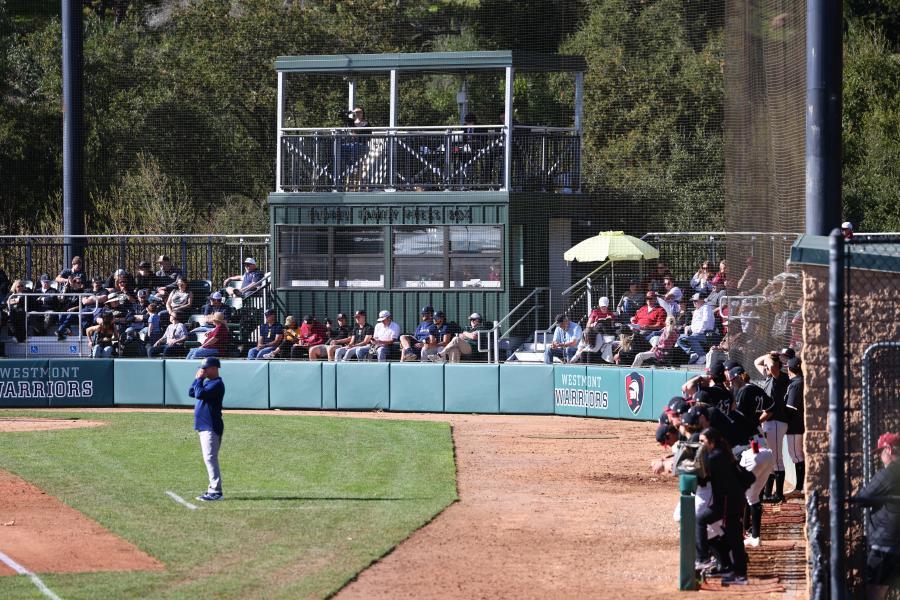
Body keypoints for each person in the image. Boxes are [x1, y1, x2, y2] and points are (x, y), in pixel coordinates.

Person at [696, 427, 749, 585]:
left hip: (729, 501)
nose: (700, 444)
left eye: (702, 441)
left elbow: (702, 476)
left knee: (702, 520)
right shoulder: (720, 453)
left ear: (711, 442)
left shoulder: (716, 456)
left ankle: (704, 559)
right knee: (732, 537)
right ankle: (735, 571)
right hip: (733, 500)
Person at [855, 433, 900, 600]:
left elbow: (862, 498)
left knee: (875, 594)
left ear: (888, 449)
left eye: (880, 452)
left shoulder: (890, 471)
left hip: (885, 545)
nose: (879, 457)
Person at [754, 352, 791, 503]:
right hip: (769, 422)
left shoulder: (779, 377)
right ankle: (768, 493)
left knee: (776, 460)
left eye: (769, 365)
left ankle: (779, 494)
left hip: (776, 421)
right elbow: (757, 361)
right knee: (771, 459)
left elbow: (773, 367)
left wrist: (772, 360)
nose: (766, 367)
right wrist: (770, 354)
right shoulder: (769, 376)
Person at [189, 357, 226, 502]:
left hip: (211, 426)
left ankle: (216, 491)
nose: (203, 371)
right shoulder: (208, 383)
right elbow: (191, 392)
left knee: (210, 458)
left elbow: (199, 394)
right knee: (209, 458)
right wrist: (197, 380)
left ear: (214, 368)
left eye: (205, 368)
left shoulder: (217, 384)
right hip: (205, 426)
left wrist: (199, 380)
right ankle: (213, 488)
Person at [739, 438, 775, 548]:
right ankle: (754, 536)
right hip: (768, 455)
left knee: (742, 496)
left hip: (752, 455)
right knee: (753, 497)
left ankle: (747, 534)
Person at [784, 357, 805, 498]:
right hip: (797, 423)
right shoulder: (799, 381)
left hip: (794, 424)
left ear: (789, 369)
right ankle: (800, 487)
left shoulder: (796, 383)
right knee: (797, 455)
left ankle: (799, 487)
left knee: (797, 456)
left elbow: (790, 407)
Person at [676, 292, 717, 364]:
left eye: (695, 301)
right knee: (680, 339)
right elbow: (695, 324)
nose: (694, 303)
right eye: (693, 301)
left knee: (691, 338)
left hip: (706, 334)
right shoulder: (696, 310)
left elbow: (705, 322)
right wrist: (688, 327)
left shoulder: (706, 307)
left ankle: (702, 356)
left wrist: (696, 332)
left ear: (701, 300)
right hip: (696, 334)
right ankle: (693, 353)